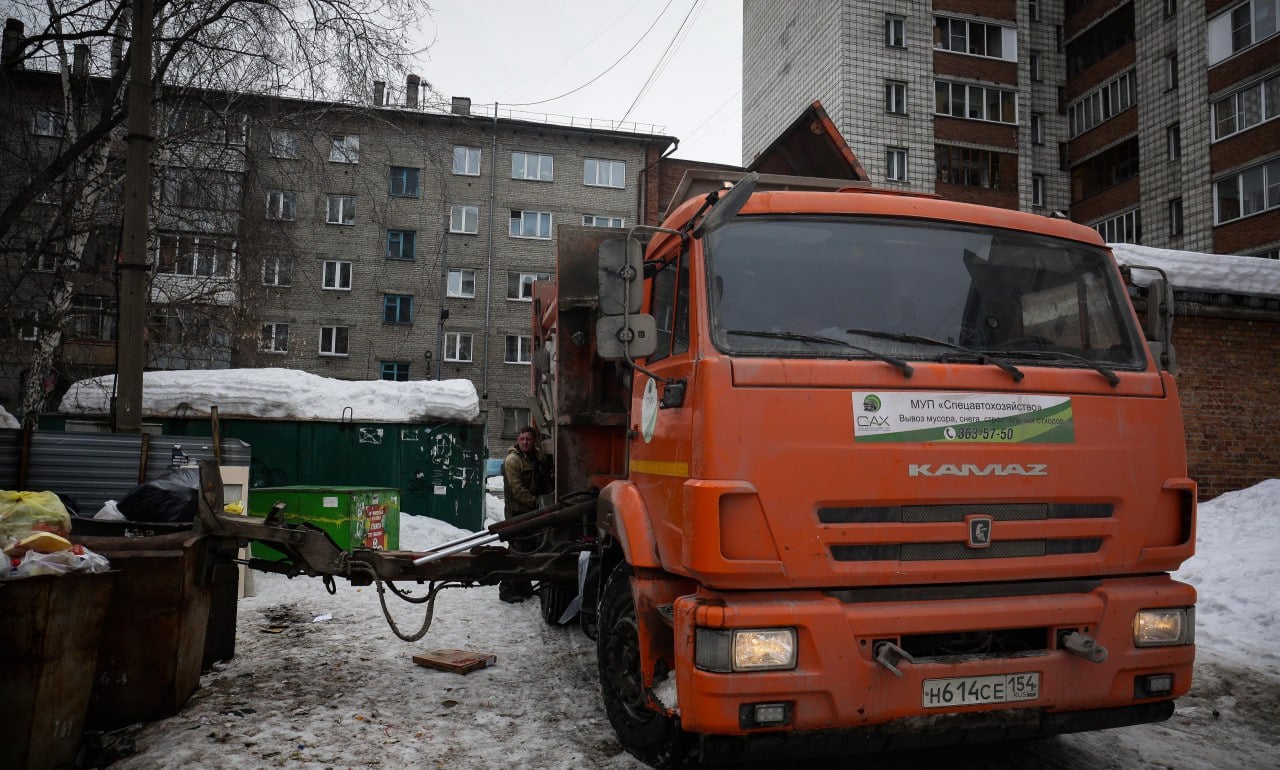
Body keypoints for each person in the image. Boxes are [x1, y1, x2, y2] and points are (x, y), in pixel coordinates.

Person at [499, 425, 553, 603]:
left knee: (528, 549)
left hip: (530, 512)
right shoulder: (513, 460)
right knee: (516, 549)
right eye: (521, 439)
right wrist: (537, 504)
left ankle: (524, 588)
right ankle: (506, 589)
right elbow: (518, 491)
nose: (524, 442)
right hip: (517, 511)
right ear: (517, 440)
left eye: (528, 439)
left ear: (534, 440)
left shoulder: (537, 456)